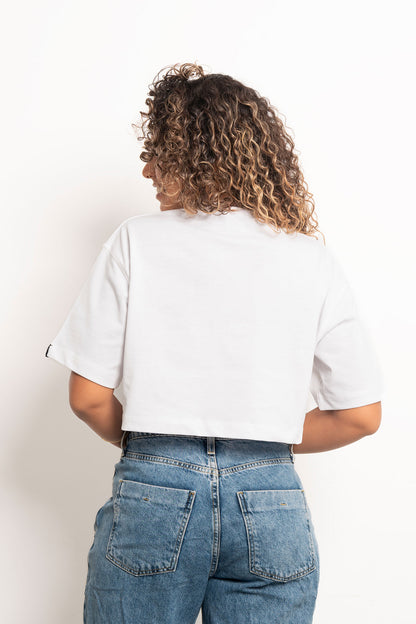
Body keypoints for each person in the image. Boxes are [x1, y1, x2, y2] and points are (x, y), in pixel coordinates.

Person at [45, 62, 384, 623]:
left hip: (156, 486)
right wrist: (257, 440)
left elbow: (87, 397)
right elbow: (361, 416)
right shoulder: (309, 258)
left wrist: (158, 452)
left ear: (197, 156)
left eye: (159, 150)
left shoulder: (136, 241)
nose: (146, 166)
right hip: (270, 495)